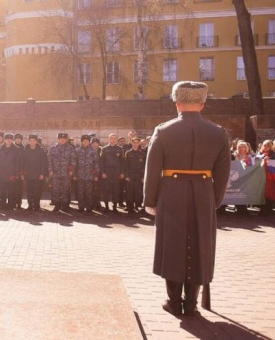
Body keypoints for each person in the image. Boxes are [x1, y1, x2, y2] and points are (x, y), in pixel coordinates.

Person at [143, 81, 230, 317]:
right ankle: (191, 303)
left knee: (172, 244)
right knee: (201, 245)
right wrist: (214, 201)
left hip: (171, 192)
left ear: (177, 103)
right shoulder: (219, 133)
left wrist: (150, 200)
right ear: (202, 104)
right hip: (203, 192)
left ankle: (173, 301)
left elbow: (152, 170)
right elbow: (223, 174)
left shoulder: (163, 131)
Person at [47, 132, 75, 212]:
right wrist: (50, 170)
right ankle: (57, 205)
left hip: (66, 173)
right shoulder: (53, 148)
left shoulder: (70, 148)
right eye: (60, 139)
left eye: (64, 139)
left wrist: (71, 170)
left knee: (65, 190)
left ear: (66, 139)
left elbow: (73, 160)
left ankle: (65, 206)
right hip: (55, 173)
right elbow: (49, 160)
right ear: (58, 139)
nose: (62, 140)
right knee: (56, 190)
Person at [74, 135, 100, 212]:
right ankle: (81, 207)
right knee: (80, 192)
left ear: (89, 142)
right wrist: (74, 175)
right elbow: (74, 164)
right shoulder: (77, 150)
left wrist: (96, 175)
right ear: (81, 142)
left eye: (87, 141)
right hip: (80, 175)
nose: (85, 142)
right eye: (84, 141)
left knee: (89, 192)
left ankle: (89, 207)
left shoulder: (93, 151)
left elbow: (96, 163)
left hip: (90, 175)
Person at [100, 133, 125, 212]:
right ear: (109, 139)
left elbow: (122, 162)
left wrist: (122, 172)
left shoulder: (120, 149)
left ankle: (114, 207)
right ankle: (106, 206)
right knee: (106, 189)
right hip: (107, 172)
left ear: (116, 140)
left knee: (116, 190)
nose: (113, 140)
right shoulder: (104, 149)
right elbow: (101, 162)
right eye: (111, 138)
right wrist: (102, 172)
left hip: (116, 172)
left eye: (114, 138)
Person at [0, 133, 21, 210]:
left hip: (11, 173)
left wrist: (16, 174)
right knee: (2, 191)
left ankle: (11, 205)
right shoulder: (0, 149)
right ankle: (2, 204)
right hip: (2, 173)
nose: (8, 141)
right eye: (7, 139)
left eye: (10, 139)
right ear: (5, 140)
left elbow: (18, 162)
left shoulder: (16, 149)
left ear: (12, 140)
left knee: (11, 191)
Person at [22, 134, 47, 211]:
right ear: (29, 141)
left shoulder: (41, 150)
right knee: (29, 191)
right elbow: (22, 163)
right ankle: (30, 205)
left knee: (37, 191)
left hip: (38, 175)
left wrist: (42, 173)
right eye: (31, 141)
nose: (32, 142)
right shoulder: (25, 150)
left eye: (34, 141)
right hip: (28, 174)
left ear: (36, 141)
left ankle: (36, 205)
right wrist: (22, 174)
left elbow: (43, 163)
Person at [123, 137, 146, 214]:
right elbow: (125, 166)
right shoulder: (128, 153)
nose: (135, 144)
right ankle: (130, 207)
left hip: (139, 176)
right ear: (132, 143)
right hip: (130, 176)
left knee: (137, 192)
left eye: (137, 142)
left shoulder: (142, 154)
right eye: (134, 142)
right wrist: (126, 176)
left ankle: (137, 206)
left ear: (139, 143)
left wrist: (143, 177)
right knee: (129, 192)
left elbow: (144, 166)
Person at [257, 140, 275, 216]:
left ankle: (269, 209)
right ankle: (262, 209)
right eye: (264, 145)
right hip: (260, 177)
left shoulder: (274, 155)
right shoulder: (259, 154)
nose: (266, 147)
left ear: (271, 147)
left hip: (270, 177)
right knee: (261, 192)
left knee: (270, 193)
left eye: (268, 146)